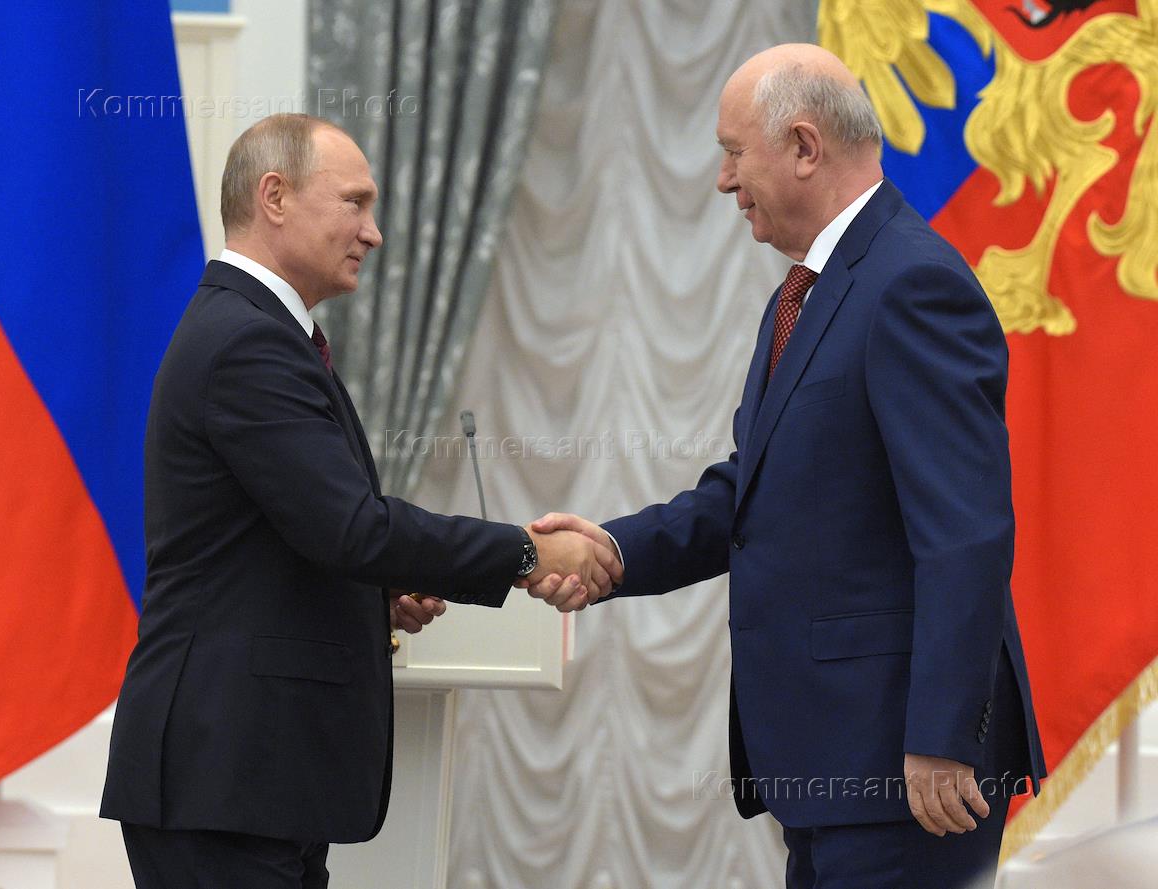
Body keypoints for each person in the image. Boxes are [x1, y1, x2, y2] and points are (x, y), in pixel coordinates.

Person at [528, 44, 1046, 888]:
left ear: (804, 146)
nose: (724, 181)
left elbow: (966, 532)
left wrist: (942, 736)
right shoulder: (804, 293)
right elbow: (755, 491)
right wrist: (614, 549)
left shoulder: (912, 284)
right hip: (829, 766)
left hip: (907, 776)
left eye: (734, 153)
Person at [100, 112, 620, 889]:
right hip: (224, 775)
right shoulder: (247, 340)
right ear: (274, 196)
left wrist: (375, 593)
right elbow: (352, 528)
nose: (373, 233)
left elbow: (288, 537)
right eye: (355, 202)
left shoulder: (258, 331)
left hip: (251, 780)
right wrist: (528, 551)